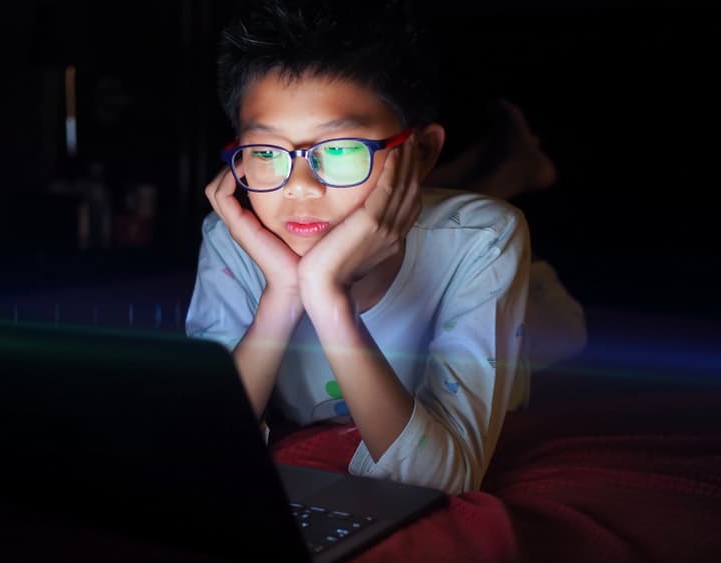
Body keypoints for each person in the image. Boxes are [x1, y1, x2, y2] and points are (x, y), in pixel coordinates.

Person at [185, 0, 583, 495]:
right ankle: (505, 167)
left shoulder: (483, 243)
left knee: (553, 320)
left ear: (422, 152)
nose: (301, 187)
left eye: (341, 150)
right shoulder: (233, 238)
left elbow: (442, 477)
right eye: (267, 153)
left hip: (541, 323)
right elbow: (197, 447)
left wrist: (327, 297)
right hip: (418, 211)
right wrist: (283, 295)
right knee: (410, 208)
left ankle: (511, 171)